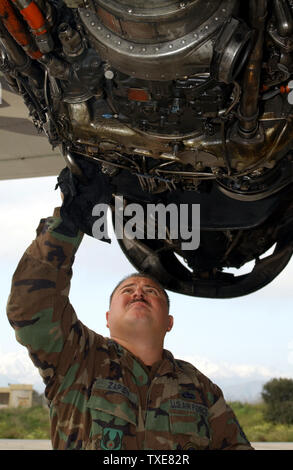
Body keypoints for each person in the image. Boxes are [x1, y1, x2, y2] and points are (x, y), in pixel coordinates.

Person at [6, 190, 254, 451]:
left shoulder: (199, 387)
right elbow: (30, 308)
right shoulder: (78, 358)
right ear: (108, 318)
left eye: (151, 292)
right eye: (127, 291)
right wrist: (70, 219)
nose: (138, 292)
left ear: (169, 322)